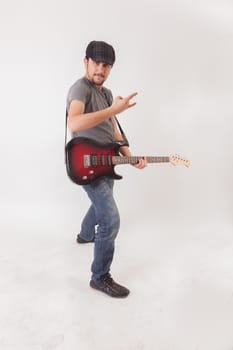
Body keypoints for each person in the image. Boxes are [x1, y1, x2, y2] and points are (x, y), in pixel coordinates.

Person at [66, 40, 147, 298]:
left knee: (101, 203)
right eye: (96, 63)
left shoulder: (107, 94)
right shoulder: (80, 89)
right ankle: (100, 277)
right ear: (86, 62)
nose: (100, 68)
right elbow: (74, 123)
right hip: (86, 161)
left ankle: (85, 234)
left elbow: (114, 129)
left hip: (108, 160)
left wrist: (129, 156)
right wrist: (112, 110)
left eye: (106, 65)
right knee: (110, 218)